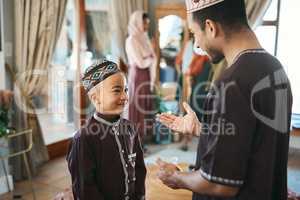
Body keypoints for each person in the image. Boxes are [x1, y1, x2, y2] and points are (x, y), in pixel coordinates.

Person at [156, 0, 293, 200]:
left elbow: (219, 185)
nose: (197, 44)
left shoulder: (231, 83)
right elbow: (253, 142)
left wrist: (177, 177)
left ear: (210, 27)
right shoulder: (275, 68)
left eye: (195, 34)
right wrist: (201, 129)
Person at [66, 60, 146, 200]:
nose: (125, 97)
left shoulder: (130, 129)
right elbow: (85, 190)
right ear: (95, 98)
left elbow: (139, 169)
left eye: (125, 90)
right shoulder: (83, 139)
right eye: (117, 90)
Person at [125, 10, 157, 140]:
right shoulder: (131, 40)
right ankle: (134, 141)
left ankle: (141, 141)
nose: (146, 26)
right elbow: (140, 62)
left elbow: (150, 57)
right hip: (138, 75)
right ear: (137, 23)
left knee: (144, 107)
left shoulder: (144, 38)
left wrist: (150, 57)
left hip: (146, 75)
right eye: (144, 23)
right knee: (137, 107)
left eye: (147, 23)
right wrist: (151, 58)